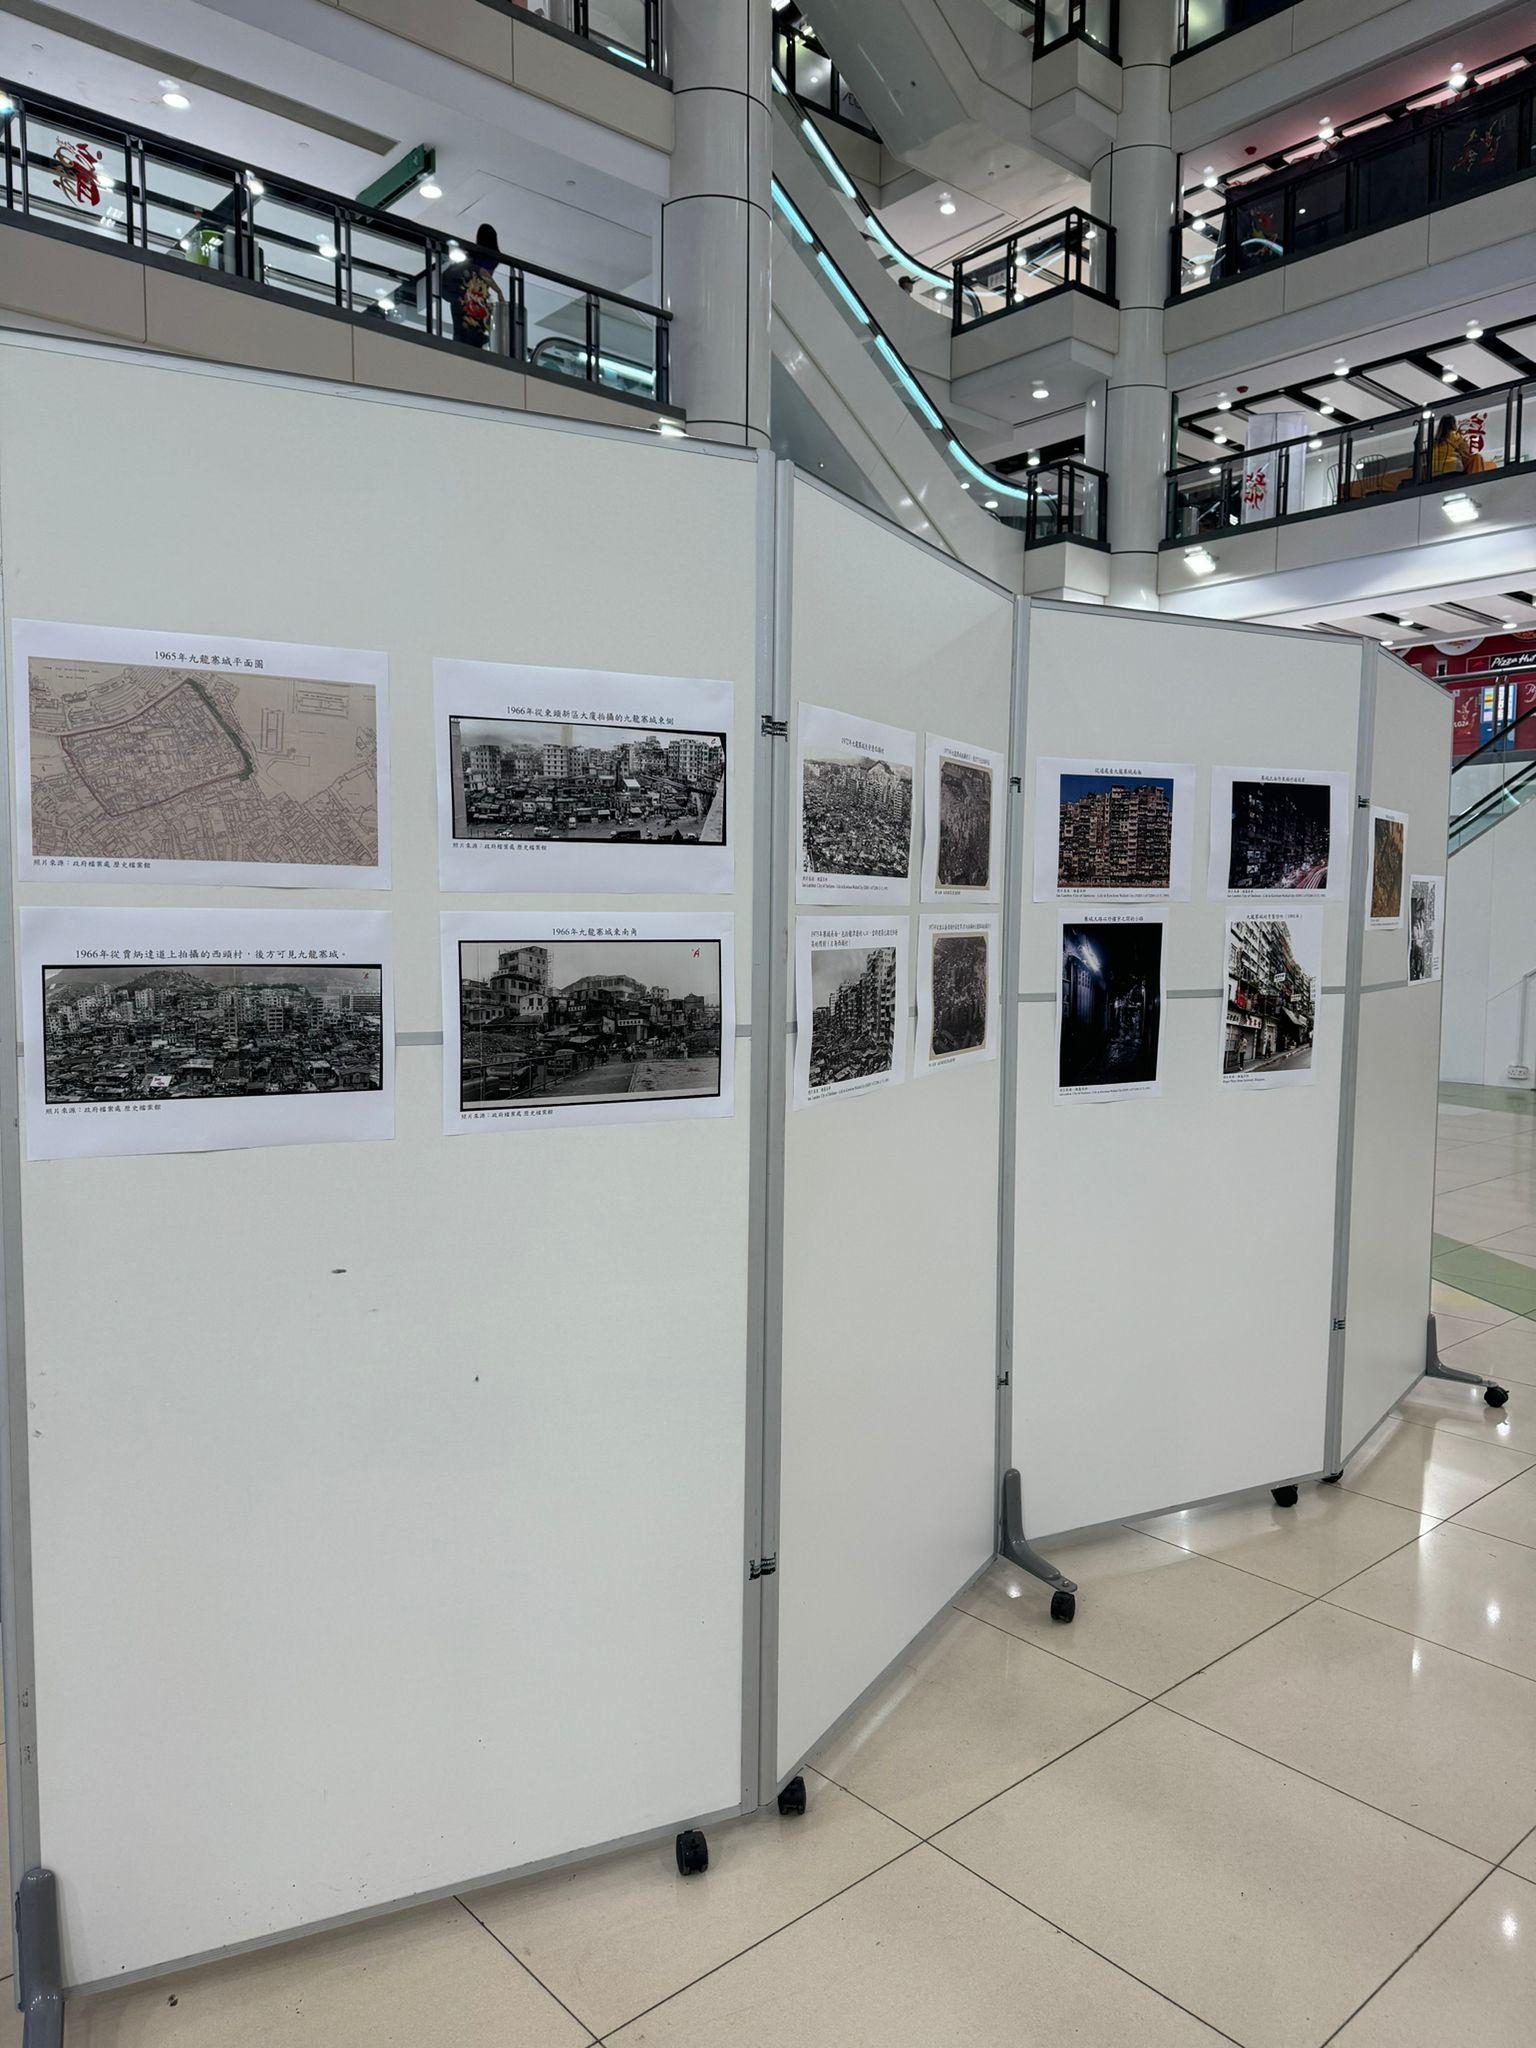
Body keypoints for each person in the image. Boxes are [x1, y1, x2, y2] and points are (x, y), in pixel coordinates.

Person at [451, 222, 506, 350]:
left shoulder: (474, 254)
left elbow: (481, 272)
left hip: (467, 293)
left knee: (462, 327)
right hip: (481, 295)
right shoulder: (494, 258)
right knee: (476, 326)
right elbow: (485, 274)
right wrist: (498, 291)